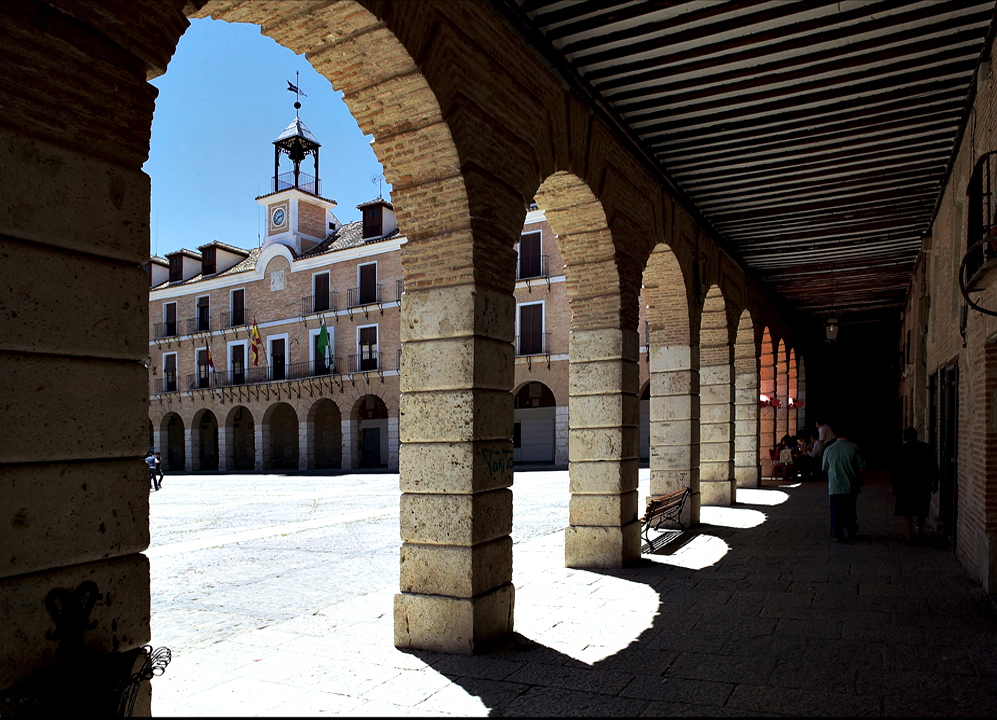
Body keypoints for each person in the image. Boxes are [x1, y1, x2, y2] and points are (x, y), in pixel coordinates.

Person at [891, 426, 938, 543]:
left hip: (905, 485)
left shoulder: (901, 450)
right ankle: (920, 532)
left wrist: (893, 485)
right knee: (921, 510)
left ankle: (909, 535)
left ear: (905, 437)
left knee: (906, 511)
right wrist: (935, 482)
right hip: (922, 484)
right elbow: (934, 467)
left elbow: (895, 469)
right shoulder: (927, 448)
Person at [822, 428, 865, 540]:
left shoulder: (829, 449)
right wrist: (860, 480)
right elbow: (861, 467)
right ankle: (850, 529)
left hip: (835, 486)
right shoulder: (854, 448)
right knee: (850, 509)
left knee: (835, 510)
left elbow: (825, 468)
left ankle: (837, 533)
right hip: (850, 485)